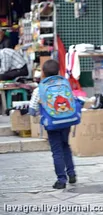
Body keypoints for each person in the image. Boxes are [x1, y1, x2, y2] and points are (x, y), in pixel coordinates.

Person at [29, 60, 80, 189]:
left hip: (52, 122)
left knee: (56, 151)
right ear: (58, 71)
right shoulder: (65, 84)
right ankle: (71, 173)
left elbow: (32, 109)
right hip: (66, 121)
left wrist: (36, 114)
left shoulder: (39, 88)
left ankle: (61, 180)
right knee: (65, 146)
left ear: (44, 74)